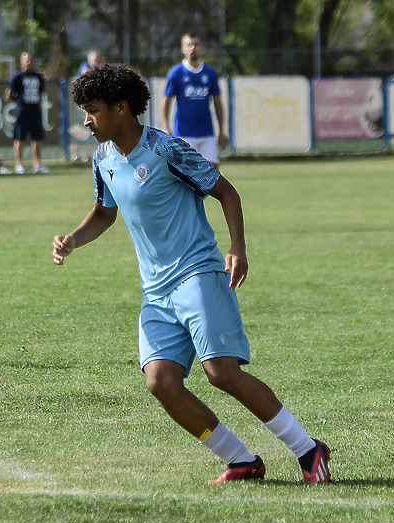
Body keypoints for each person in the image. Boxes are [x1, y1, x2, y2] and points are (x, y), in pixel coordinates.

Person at [53, 63, 330, 485]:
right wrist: (73, 239)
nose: (86, 120)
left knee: (221, 373)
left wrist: (236, 247)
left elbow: (226, 191)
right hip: (155, 291)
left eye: (92, 110)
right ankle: (241, 459)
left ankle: (308, 450)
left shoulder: (166, 149)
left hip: (197, 273)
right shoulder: (103, 158)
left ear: (122, 107)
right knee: (161, 382)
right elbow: (104, 213)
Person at [161, 33, 228, 169]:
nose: (193, 48)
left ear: (202, 47)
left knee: (213, 172)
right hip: (184, 133)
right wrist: (166, 126)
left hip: (206, 133)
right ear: (183, 49)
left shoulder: (210, 72)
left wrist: (221, 130)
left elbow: (218, 103)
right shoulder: (176, 72)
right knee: (186, 174)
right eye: (189, 44)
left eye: (196, 44)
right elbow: (166, 100)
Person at [6, 52, 49, 175]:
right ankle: (19, 164)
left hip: (35, 110)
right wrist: (18, 101)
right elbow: (9, 92)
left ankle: (37, 164)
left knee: (37, 137)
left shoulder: (38, 77)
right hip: (22, 111)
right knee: (20, 137)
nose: (29, 62)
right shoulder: (18, 77)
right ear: (22, 62)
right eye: (26, 60)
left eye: (31, 60)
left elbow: (41, 91)